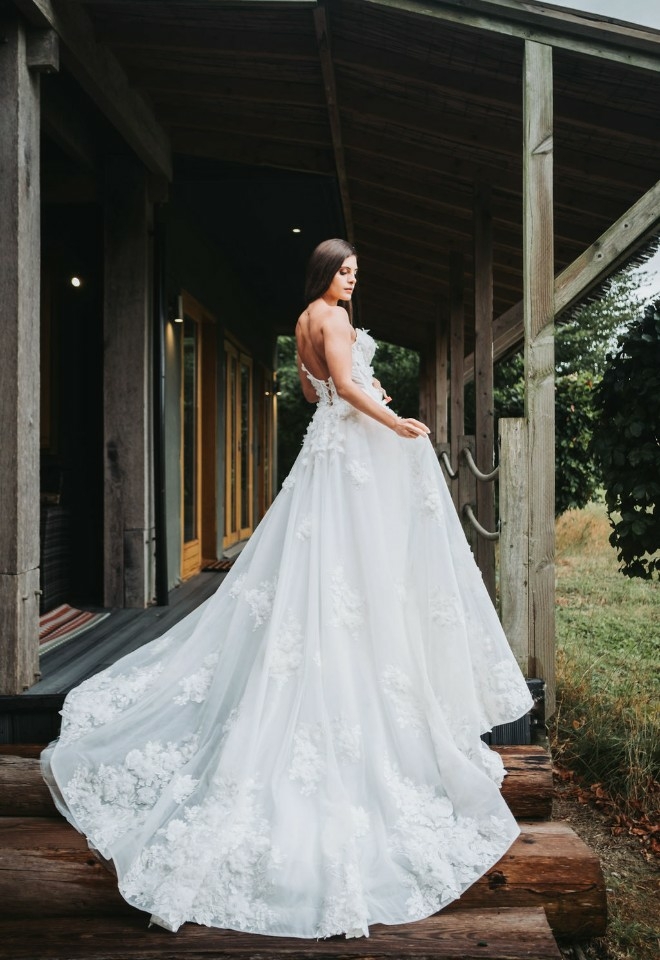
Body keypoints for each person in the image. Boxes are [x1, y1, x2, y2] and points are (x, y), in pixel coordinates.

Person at [41, 238, 534, 939]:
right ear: (324, 275)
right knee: (351, 571)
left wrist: (356, 394)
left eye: (358, 270)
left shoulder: (305, 321)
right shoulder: (331, 320)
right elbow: (347, 387)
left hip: (326, 454)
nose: (353, 280)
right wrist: (394, 420)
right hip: (350, 455)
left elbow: (314, 390)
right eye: (345, 270)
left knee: (324, 571)